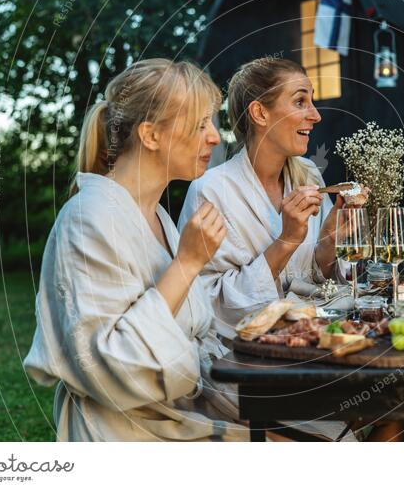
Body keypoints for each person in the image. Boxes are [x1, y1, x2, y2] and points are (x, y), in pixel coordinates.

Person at [23, 59, 247, 441]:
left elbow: (195, 334)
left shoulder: (157, 216)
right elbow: (112, 365)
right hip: (126, 433)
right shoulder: (88, 218)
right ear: (151, 135)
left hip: (182, 413)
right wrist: (188, 263)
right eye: (199, 124)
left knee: (335, 428)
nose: (215, 137)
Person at [178, 57, 360, 336]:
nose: (315, 115)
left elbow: (313, 278)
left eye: (311, 101)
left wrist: (329, 243)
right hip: (240, 357)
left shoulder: (309, 175)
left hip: (312, 339)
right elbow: (206, 302)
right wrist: (286, 241)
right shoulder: (211, 191)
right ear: (260, 114)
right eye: (300, 102)